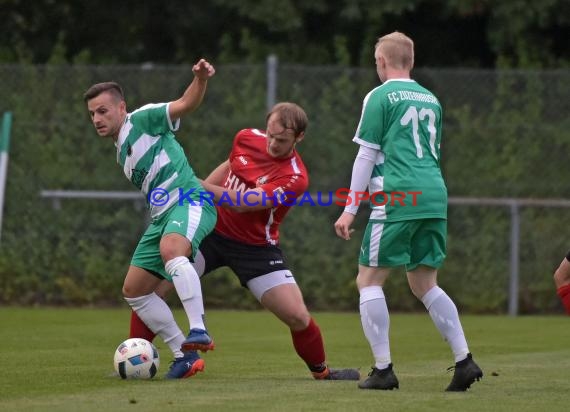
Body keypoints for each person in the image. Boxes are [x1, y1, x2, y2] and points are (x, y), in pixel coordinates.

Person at [130, 102, 360, 381]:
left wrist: (190, 182)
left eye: (282, 140)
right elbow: (228, 167)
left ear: (299, 138)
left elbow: (242, 203)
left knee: (298, 316)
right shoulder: (246, 137)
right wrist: (197, 200)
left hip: (255, 248)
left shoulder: (295, 177)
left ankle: (322, 372)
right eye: (271, 135)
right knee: (151, 288)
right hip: (212, 231)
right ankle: (136, 355)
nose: (273, 143)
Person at [333, 31, 483, 391]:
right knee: (424, 282)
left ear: (381, 62)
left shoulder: (379, 96)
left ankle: (383, 370)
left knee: (368, 280)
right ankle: (464, 361)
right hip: (434, 194)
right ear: (411, 62)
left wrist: (350, 208)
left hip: (397, 196)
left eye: (376, 62)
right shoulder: (431, 98)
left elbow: (367, 154)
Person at [84, 59, 217, 379]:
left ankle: (199, 330)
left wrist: (200, 79)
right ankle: (183, 354)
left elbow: (186, 104)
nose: (97, 119)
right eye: (91, 114)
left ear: (122, 107)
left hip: (189, 201)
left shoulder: (142, 119)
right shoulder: (120, 150)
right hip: (161, 217)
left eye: (103, 111)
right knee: (134, 290)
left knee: (172, 250)